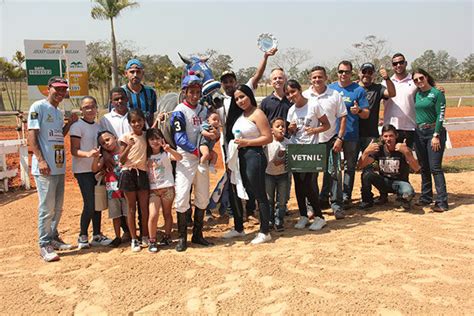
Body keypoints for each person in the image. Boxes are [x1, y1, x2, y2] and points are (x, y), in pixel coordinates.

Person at [27, 76, 77, 262]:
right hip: (45, 168)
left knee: (57, 207)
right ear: (49, 88)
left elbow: (57, 135)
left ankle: (53, 236)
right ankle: (44, 244)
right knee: (46, 207)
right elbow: (32, 135)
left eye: (64, 89)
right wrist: (40, 160)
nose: (61, 93)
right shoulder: (38, 107)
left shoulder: (57, 112)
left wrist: (69, 125)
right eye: (58, 89)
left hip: (58, 166)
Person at [224, 84, 273, 244]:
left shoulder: (257, 114)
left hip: (254, 156)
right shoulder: (240, 115)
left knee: (259, 193)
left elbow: (268, 138)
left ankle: (265, 231)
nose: (240, 101)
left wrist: (247, 142)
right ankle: (239, 228)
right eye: (237, 98)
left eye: (242, 96)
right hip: (240, 157)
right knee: (239, 190)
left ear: (250, 96)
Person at [171, 74, 214, 252]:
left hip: (201, 158)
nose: (195, 96)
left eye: (198, 92)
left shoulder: (204, 110)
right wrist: (196, 151)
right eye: (192, 92)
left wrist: (210, 145)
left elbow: (210, 130)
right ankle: (182, 237)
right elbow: (179, 138)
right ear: (185, 92)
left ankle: (198, 234)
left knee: (203, 196)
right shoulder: (179, 110)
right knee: (181, 197)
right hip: (186, 158)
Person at [303, 66, 347, 220]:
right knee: (311, 177)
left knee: (334, 174)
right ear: (310, 79)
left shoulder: (335, 95)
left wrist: (340, 138)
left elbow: (342, 117)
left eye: (320, 77)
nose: (317, 80)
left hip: (331, 140)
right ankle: (312, 207)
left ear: (326, 78)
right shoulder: (305, 95)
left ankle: (336, 206)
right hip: (312, 143)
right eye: (314, 77)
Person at [286, 80, 330, 231]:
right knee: (298, 184)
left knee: (309, 184)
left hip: (311, 149)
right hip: (296, 149)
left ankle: (319, 216)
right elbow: (291, 132)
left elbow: (327, 125)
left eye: (293, 91)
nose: (291, 95)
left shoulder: (314, 105)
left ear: (299, 90)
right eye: (288, 93)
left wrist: (315, 130)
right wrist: (290, 129)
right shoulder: (291, 110)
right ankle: (304, 215)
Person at [70, 96, 112, 249]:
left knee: (98, 203)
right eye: (86, 107)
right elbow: (74, 150)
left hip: (96, 169)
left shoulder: (97, 127)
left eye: (92, 106)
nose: (90, 110)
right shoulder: (77, 126)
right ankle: (82, 235)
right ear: (81, 109)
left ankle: (97, 234)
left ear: (97, 108)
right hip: (83, 170)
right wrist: (88, 154)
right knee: (89, 203)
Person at [328, 60, 369, 206]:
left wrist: (358, 111)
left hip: (351, 134)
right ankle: (334, 195)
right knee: (333, 168)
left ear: (351, 73)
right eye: (341, 71)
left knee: (350, 167)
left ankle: (346, 196)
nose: (343, 74)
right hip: (333, 135)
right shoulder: (330, 89)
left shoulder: (358, 90)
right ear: (337, 72)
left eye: (346, 71)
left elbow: (366, 114)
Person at [358, 62, 396, 202]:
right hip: (354, 134)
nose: (366, 74)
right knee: (351, 168)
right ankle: (346, 197)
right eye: (364, 71)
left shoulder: (378, 88)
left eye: (370, 72)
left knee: (369, 166)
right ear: (359, 72)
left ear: (373, 74)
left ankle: (369, 197)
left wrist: (386, 78)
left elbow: (391, 93)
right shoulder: (354, 88)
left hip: (371, 134)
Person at [358, 124, 420, 209]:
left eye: (391, 136)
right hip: (384, 181)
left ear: (396, 136)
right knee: (366, 174)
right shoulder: (379, 149)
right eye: (385, 136)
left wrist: (407, 153)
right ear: (382, 137)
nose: (388, 139)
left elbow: (416, 168)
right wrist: (366, 152)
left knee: (408, 192)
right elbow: (360, 166)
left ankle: (402, 198)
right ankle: (367, 201)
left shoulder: (402, 149)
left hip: (400, 182)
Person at [412, 68, 448, 212]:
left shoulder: (437, 93)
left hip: (433, 132)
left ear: (426, 77)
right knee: (424, 167)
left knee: (435, 168)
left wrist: (436, 135)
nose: (419, 81)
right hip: (419, 133)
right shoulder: (417, 94)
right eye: (416, 80)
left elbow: (441, 115)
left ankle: (442, 201)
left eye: (421, 78)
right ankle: (426, 197)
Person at [146, 128, 182, 253]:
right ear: (147, 141)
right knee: (153, 214)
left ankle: (167, 236)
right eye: (152, 139)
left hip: (167, 188)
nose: (155, 141)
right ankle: (152, 240)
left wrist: (169, 149)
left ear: (162, 139)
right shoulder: (146, 155)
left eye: (157, 138)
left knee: (167, 213)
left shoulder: (166, 153)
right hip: (153, 190)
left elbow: (179, 157)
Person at [118, 109, 150, 252]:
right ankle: (133, 238)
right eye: (133, 121)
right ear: (129, 123)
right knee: (131, 208)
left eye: (139, 120)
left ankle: (145, 235)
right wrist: (129, 146)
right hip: (128, 174)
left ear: (143, 121)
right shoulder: (125, 137)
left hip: (142, 173)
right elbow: (121, 159)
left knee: (144, 208)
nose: (137, 123)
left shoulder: (146, 136)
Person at [91, 130, 129, 248]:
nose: (106, 143)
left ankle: (132, 235)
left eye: (108, 140)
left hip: (126, 189)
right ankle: (117, 237)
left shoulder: (124, 152)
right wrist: (97, 157)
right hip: (112, 191)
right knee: (115, 215)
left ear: (114, 137)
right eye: (103, 143)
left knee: (128, 213)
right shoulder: (105, 158)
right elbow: (94, 169)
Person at [382, 53, 417, 147]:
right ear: (392, 66)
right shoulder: (385, 82)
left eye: (401, 62)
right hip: (390, 128)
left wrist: (439, 89)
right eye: (395, 63)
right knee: (391, 160)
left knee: (408, 159)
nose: (398, 65)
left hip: (409, 128)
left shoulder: (414, 81)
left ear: (405, 63)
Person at [265, 117, 290, 231]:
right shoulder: (267, 142)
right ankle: (270, 220)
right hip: (268, 174)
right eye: (278, 126)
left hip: (283, 175)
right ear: (271, 130)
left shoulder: (288, 142)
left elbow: (293, 159)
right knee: (269, 199)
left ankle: (279, 220)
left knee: (282, 199)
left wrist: (285, 161)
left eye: (283, 126)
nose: (281, 128)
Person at [119, 58, 157, 127]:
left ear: (143, 73)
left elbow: (152, 116)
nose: (135, 75)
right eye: (132, 72)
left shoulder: (150, 92)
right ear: (126, 73)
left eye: (138, 72)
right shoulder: (119, 93)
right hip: (126, 134)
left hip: (146, 134)